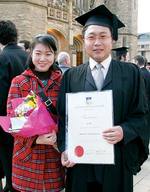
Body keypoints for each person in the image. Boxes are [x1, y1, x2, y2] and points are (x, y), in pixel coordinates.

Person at [57, 4, 149, 192]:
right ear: (83, 40)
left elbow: (142, 116)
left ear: (113, 39)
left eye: (103, 36)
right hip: (80, 163)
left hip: (116, 161)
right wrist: (65, 148)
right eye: (91, 37)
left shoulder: (131, 73)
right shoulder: (71, 76)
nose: (96, 42)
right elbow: (62, 119)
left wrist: (125, 131)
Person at [7, 34, 65, 192]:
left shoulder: (63, 82)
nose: (43, 59)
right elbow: (13, 122)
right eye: (38, 53)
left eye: (48, 54)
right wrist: (36, 139)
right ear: (31, 53)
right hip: (27, 158)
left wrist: (59, 135)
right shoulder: (20, 82)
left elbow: (69, 117)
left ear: (54, 55)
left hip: (54, 157)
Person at [0, 20, 28, 192]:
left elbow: (1, 94)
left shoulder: (3, 58)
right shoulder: (28, 56)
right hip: (29, 117)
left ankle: (11, 186)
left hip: (7, 121)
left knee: (7, 157)